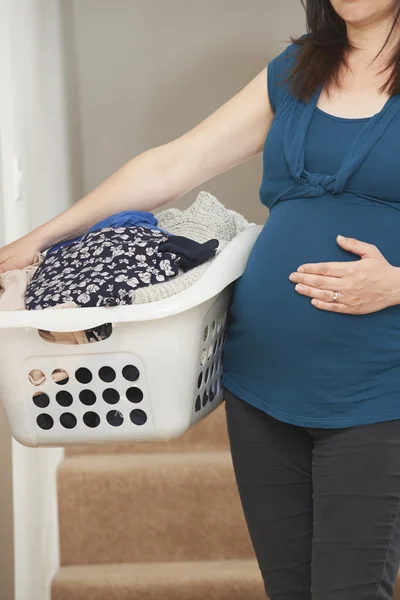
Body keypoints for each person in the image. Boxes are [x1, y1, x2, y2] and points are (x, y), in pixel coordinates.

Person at [1, 0, 400, 597]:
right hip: (259, 386)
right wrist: (36, 239)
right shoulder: (298, 69)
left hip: (375, 391)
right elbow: (174, 164)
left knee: (350, 588)